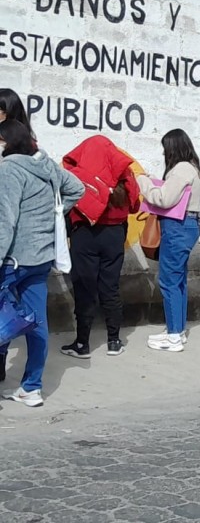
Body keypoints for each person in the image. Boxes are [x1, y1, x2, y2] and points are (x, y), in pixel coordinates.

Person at [0, 120, 84, 406]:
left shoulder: (9, 169)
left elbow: (5, 221)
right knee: (36, 322)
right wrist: (54, 214)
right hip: (41, 258)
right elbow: (77, 189)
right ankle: (32, 388)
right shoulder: (46, 166)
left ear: (6, 141)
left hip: (12, 259)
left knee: (6, 320)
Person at [60, 136, 141, 358]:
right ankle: (114, 341)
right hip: (114, 236)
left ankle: (82, 344)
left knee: (84, 289)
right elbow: (135, 205)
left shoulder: (80, 176)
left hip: (85, 235)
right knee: (111, 287)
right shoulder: (124, 175)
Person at [138, 129, 200, 352]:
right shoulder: (193, 168)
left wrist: (143, 183)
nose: (164, 153)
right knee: (178, 280)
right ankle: (177, 330)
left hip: (178, 226)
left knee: (168, 281)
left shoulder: (181, 169)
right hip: (186, 225)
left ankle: (174, 336)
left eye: (166, 148)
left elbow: (164, 198)